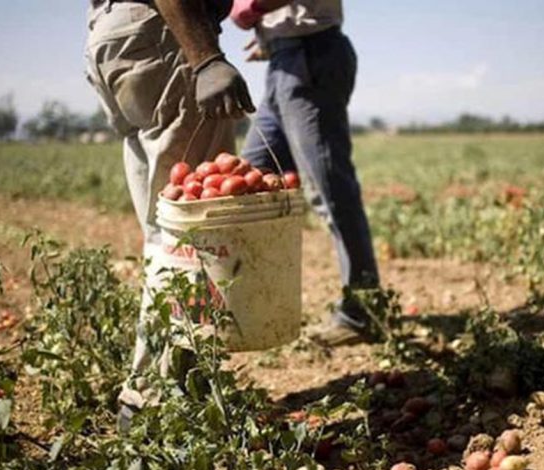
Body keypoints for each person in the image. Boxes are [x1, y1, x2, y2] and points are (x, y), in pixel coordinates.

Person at [84, 0, 255, 429]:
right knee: (192, 236)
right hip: (165, 35)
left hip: (115, 37)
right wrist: (206, 58)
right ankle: (154, 401)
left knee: (166, 233)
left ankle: (169, 392)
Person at [231, 0, 380, 347]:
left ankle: (363, 311)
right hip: (285, 58)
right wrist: (271, 34)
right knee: (250, 178)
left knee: (330, 189)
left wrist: (249, 8)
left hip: (312, 55)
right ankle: (255, 303)